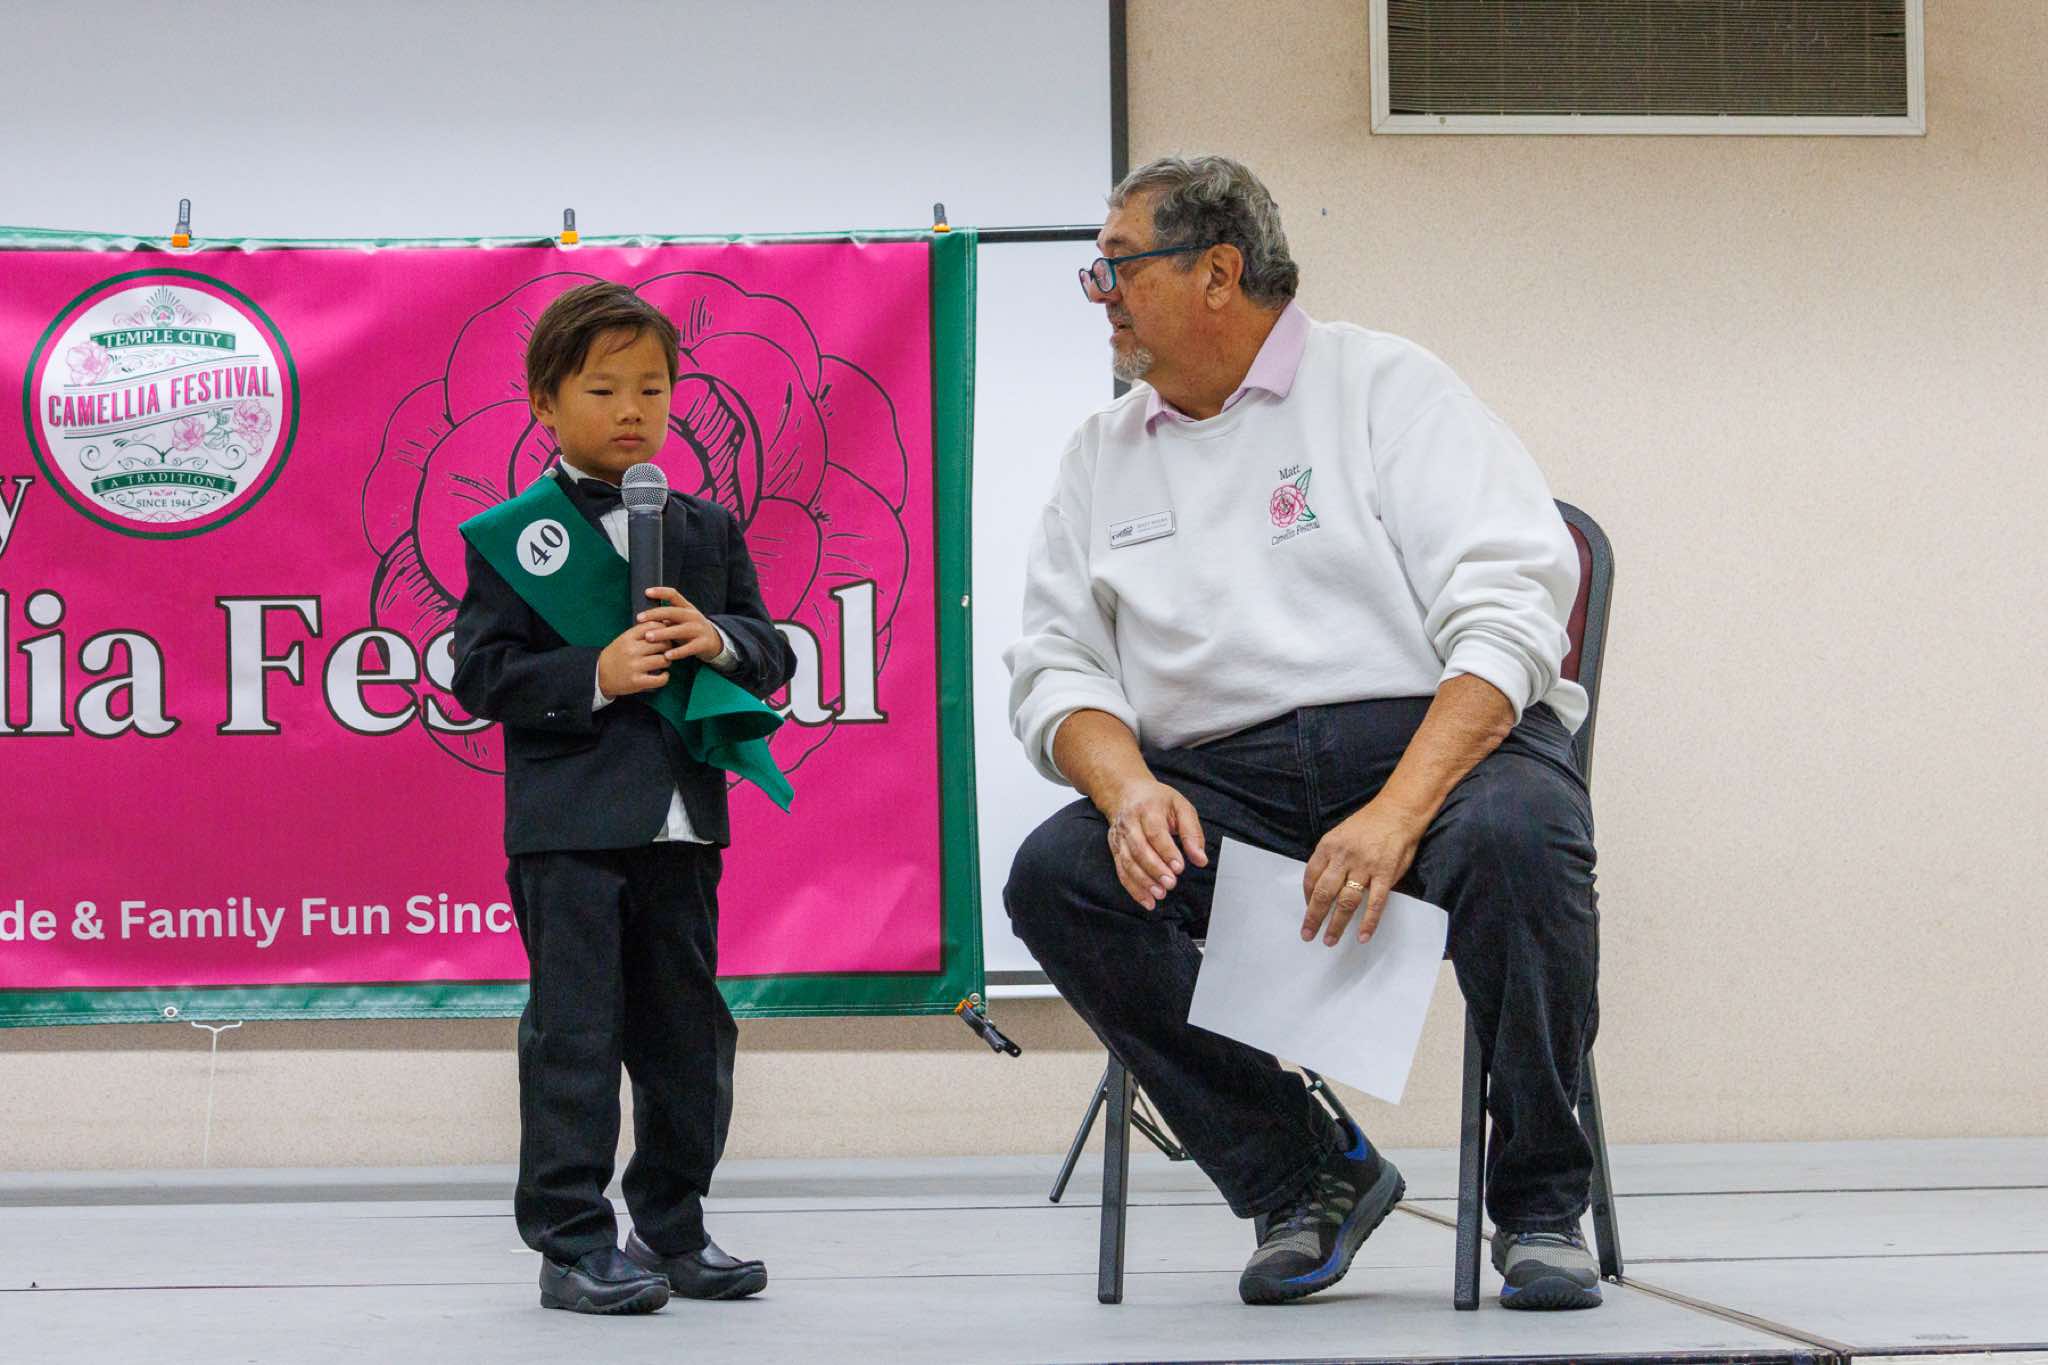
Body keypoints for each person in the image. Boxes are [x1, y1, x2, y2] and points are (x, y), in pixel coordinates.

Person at [1004, 156, 1603, 1312]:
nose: (1099, 295)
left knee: (1520, 838)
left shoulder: (1385, 387)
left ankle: (1538, 1203)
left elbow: (1511, 611)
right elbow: (1055, 667)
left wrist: (1396, 813)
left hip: (1428, 753)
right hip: (1219, 786)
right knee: (1060, 875)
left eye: (1118, 267)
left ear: (1216, 272)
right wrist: (1125, 789)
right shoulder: (1100, 455)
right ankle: (1304, 1174)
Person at [452, 282, 797, 1315]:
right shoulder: (512, 537)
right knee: (576, 1035)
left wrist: (719, 641)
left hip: (683, 825)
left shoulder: (704, 526)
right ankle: (570, 1243)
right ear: (544, 402)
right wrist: (594, 673)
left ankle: (672, 1226)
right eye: (603, 390)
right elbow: (480, 675)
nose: (632, 410)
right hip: (568, 832)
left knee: (689, 1034)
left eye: (652, 388)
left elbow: (770, 648)